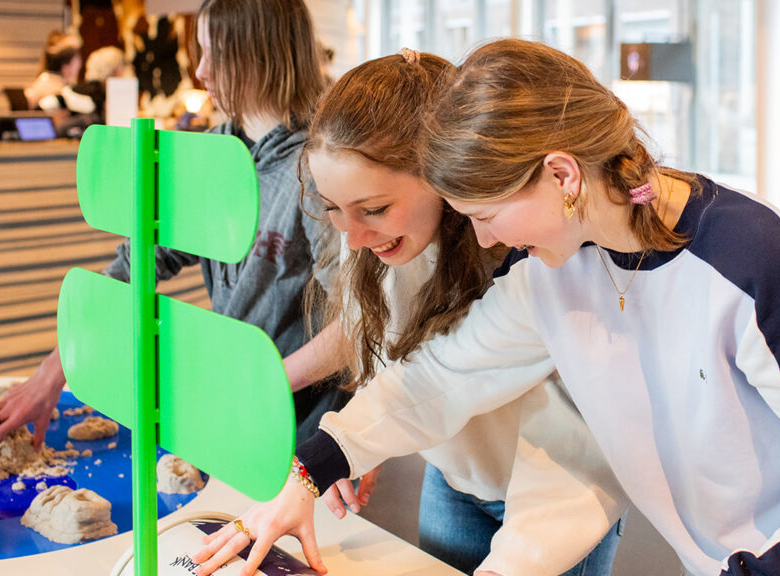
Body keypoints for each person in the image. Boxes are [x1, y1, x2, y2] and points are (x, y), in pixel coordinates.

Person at [195, 39, 780, 576]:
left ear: (560, 175)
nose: (481, 238)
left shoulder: (762, 267)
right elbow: (439, 379)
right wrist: (310, 469)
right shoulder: (556, 272)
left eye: (485, 214)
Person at [218, 50, 626, 576]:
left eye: (375, 209)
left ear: (441, 173)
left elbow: (568, 453)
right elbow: (407, 365)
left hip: (556, 497)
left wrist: (344, 447)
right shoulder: (368, 233)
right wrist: (345, 450)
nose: (355, 236)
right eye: (332, 208)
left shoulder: (541, 257)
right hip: (454, 477)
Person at [0, 0, 343, 452]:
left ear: (259, 56)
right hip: (226, 414)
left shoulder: (319, 166)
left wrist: (261, 383)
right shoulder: (211, 154)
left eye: (216, 54)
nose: (201, 72)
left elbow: (355, 321)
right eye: (200, 52)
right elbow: (136, 266)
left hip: (299, 428)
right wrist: (50, 376)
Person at [25, 40, 82, 110]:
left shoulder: (46, 79)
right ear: (65, 68)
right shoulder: (56, 89)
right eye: (76, 66)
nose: (79, 69)